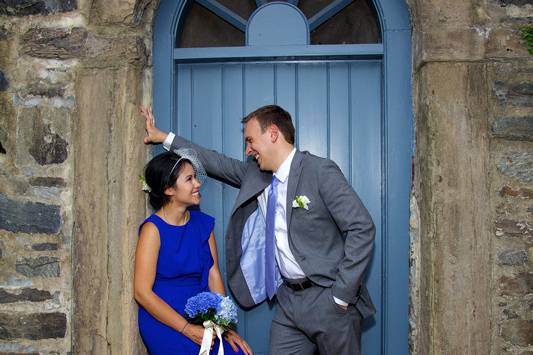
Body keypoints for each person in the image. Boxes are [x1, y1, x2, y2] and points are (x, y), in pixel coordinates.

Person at [140, 105, 376, 355]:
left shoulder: (319, 171)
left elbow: (362, 228)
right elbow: (213, 161)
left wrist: (341, 296)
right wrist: (163, 137)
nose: (248, 149)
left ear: (273, 134)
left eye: (251, 140)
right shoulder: (256, 174)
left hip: (328, 299)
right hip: (289, 303)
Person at [134, 150, 252, 355]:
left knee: (239, 352)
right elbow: (141, 292)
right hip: (165, 320)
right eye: (189, 179)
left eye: (195, 177)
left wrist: (224, 327)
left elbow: (213, 274)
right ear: (169, 189)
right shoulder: (152, 230)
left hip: (202, 316)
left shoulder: (203, 224)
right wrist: (186, 329)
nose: (197, 184)